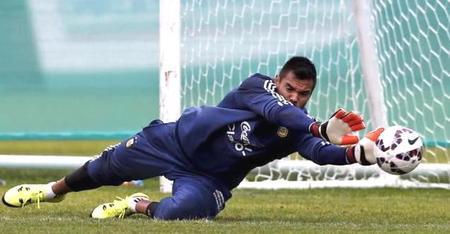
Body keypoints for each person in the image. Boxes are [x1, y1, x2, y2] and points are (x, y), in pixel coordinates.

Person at [2, 56, 383, 220]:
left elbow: (318, 151)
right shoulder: (257, 87)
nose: (295, 98)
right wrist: (317, 125)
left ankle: (135, 205)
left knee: (176, 214)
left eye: (303, 94)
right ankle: (50, 191)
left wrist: (362, 154)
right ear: (279, 80)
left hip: (210, 178)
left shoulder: (297, 123)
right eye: (290, 88)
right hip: (175, 141)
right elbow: (275, 112)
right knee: (105, 167)